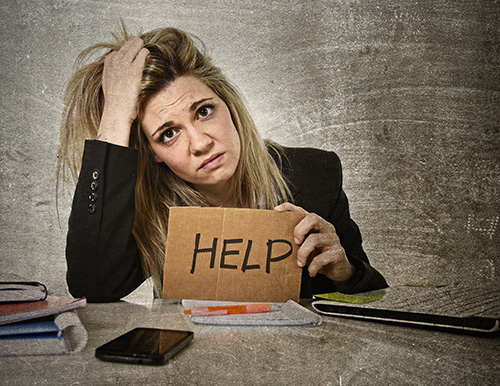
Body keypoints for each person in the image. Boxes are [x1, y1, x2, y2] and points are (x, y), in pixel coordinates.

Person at [58, 26, 388, 303]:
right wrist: (116, 114)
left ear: (227, 103)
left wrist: (346, 273)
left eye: (204, 111)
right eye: (169, 133)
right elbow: (92, 286)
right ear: (153, 152)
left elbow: (374, 301)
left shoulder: (316, 173)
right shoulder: (148, 207)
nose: (201, 143)